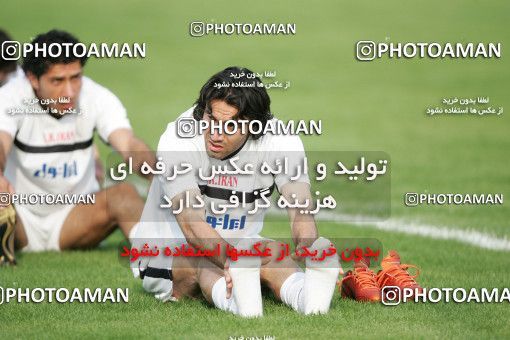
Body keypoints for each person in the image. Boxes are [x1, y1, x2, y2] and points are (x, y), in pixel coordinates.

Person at [132, 66, 343, 317]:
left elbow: (301, 212)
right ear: (204, 110)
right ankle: (241, 306)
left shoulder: (281, 140)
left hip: (241, 249)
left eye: (231, 126)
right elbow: (191, 225)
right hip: (168, 254)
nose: (216, 135)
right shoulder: (178, 139)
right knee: (204, 261)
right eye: (212, 119)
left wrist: (312, 247)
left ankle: (309, 301)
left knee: (275, 254)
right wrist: (232, 261)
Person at [0, 29, 155, 264]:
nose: (70, 91)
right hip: (18, 218)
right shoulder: (11, 97)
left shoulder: (96, 97)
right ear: (33, 79)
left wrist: (153, 169)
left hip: (75, 218)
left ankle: (163, 268)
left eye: (76, 77)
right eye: (57, 81)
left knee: (124, 195)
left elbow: (127, 142)